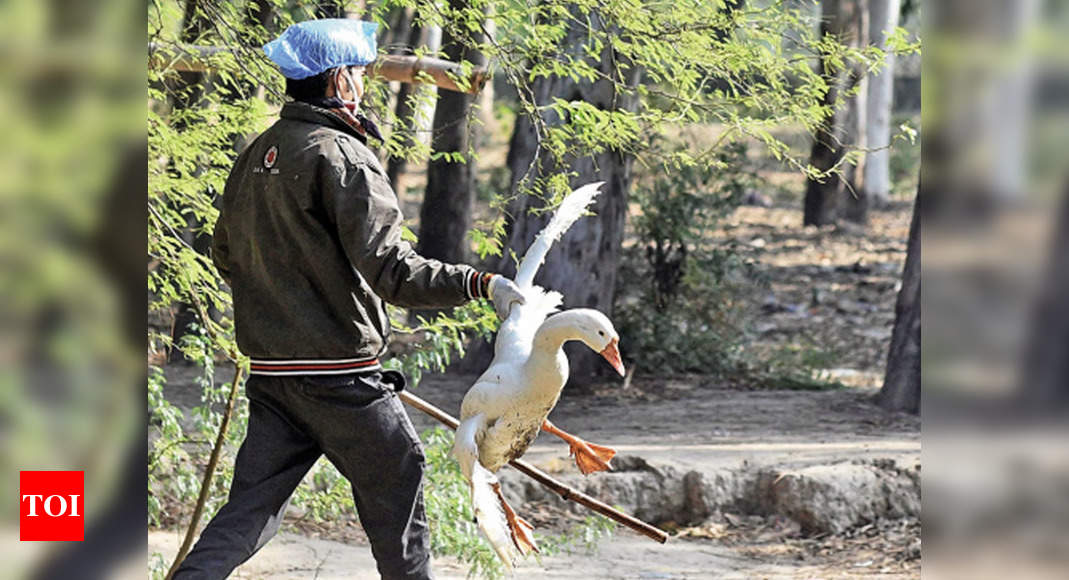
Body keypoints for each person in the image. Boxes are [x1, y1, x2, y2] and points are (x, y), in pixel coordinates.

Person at [173, 19, 524, 580]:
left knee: (247, 513)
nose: (362, 81)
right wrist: (480, 284)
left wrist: (284, 295)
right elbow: (394, 273)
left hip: (273, 377)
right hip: (341, 380)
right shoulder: (342, 157)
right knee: (399, 478)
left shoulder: (257, 154)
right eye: (358, 71)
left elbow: (224, 254)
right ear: (339, 81)